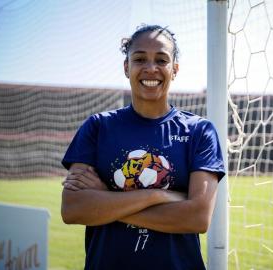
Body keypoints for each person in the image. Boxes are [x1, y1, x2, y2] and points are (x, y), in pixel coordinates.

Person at [60, 24, 225, 270]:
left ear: (174, 69)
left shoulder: (199, 131)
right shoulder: (97, 127)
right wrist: (157, 195)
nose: (151, 68)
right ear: (127, 67)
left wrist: (106, 200)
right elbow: (73, 209)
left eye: (161, 60)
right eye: (139, 59)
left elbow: (197, 217)